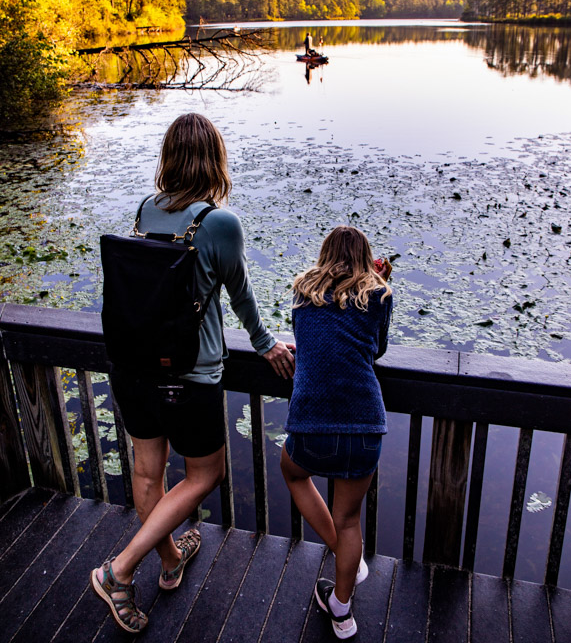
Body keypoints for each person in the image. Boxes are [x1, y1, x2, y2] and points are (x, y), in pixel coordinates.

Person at [90, 113, 295, 633]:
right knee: (206, 475)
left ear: (169, 158)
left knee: (146, 473)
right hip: (189, 377)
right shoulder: (219, 223)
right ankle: (119, 571)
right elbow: (241, 293)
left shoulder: (143, 210)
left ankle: (169, 561)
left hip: (133, 368)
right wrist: (266, 344)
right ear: (214, 160)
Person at [280, 226, 392, 639]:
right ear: (366, 257)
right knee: (350, 521)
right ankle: (342, 613)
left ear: (324, 254)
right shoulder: (379, 294)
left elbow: (307, 340)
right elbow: (377, 348)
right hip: (364, 425)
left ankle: (339, 551)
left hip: (310, 423)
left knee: (292, 471)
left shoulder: (302, 290)